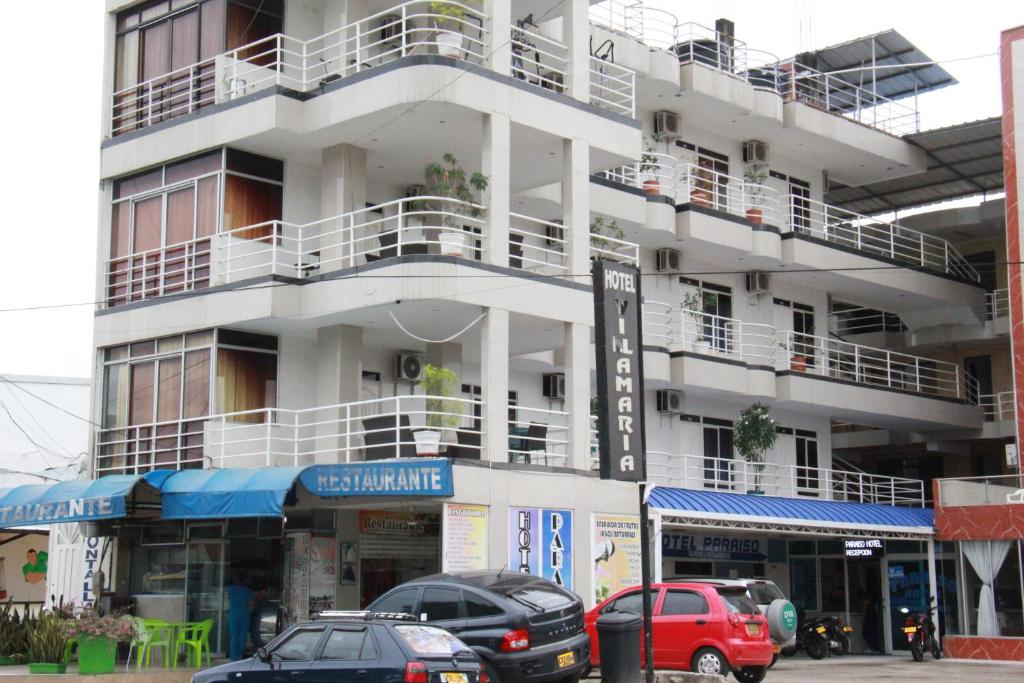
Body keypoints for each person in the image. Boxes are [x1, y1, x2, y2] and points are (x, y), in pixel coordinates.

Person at [227, 573, 256, 661]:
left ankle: (233, 656)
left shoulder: (231, 589)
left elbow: (229, 599)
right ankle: (240, 654)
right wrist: (248, 612)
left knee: (234, 635)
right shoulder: (247, 590)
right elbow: (252, 604)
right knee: (243, 635)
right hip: (244, 614)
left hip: (233, 613)